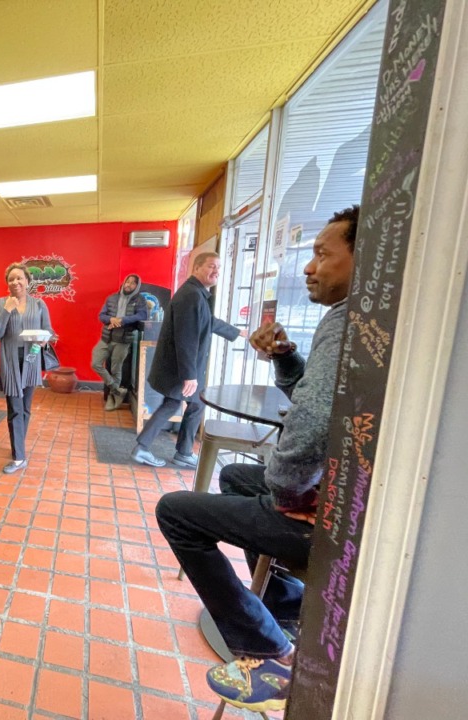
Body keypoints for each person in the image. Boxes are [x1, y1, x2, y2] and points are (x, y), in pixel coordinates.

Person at [156, 206, 358, 714]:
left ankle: (265, 648)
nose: (310, 267)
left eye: (321, 254)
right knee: (232, 474)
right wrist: (286, 359)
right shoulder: (357, 319)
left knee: (175, 512)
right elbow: (316, 398)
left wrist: (283, 495)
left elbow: (309, 429)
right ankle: (284, 604)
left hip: (323, 517)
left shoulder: (348, 319)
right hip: (337, 500)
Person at [130, 252, 241, 468]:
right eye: (211, 266)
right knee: (184, 404)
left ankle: (175, 451)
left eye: (218, 267)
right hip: (180, 368)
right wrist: (190, 375)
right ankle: (163, 450)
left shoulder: (195, 294)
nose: (216, 271)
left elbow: (208, 322)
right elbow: (186, 338)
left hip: (179, 367)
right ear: (196, 268)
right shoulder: (191, 295)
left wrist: (237, 333)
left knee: (184, 404)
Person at [0, 263, 55, 474]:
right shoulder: (0, 303)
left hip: (32, 359)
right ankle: (19, 457)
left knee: (25, 408)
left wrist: (46, 339)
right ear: (7, 283)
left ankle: (19, 446)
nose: (15, 282)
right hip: (10, 362)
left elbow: (49, 330)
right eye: (11, 279)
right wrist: (7, 310)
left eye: (19, 278)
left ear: (27, 281)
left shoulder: (39, 304)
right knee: (15, 409)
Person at [92, 274, 148, 410]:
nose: (129, 284)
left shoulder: (140, 300)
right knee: (96, 363)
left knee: (116, 369)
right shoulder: (112, 298)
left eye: (133, 283)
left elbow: (142, 315)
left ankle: (113, 398)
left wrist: (122, 320)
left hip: (123, 340)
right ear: (124, 282)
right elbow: (101, 316)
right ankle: (118, 390)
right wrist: (111, 320)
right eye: (127, 282)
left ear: (137, 286)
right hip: (106, 338)